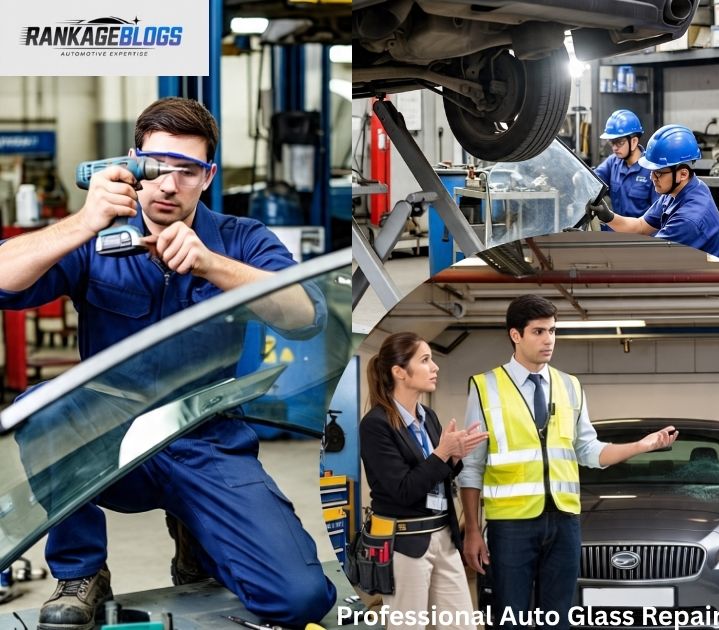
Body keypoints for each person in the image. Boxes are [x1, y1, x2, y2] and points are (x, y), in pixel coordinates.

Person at [0, 97, 333, 628]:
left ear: (209, 177)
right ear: (132, 161)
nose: (167, 184)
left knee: (298, 598)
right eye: (155, 167)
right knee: (42, 406)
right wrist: (83, 223)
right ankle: (81, 572)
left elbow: (305, 313)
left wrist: (210, 263)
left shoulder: (242, 240)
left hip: (204, 440)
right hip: (107, 442)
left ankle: (195, 536)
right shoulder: (98, 236)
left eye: (187, 171)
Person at [458, 295, 678, 630]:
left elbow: (589, 451)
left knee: (558, 619)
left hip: (564, 522)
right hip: (511, 525)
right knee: (508, 619)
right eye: (538, 332)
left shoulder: (570, 385)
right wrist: (473, 530)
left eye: (552, 331)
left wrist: (640, 445)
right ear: (515, 335)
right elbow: (472, 467)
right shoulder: (485, 387)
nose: (549, 340)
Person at [359, 333, 489, 630]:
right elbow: (403, 490)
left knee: (462, 625)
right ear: (399, 372)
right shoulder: (376, 425)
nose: (435, 368)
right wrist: (443, 453)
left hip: (443, 536)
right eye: (425, 360)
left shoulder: (427, 416)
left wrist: (455, 458)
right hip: (405, 543)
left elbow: (437, 475)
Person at [591, 125, 719, 263]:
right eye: (651, 171)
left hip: (706, 282)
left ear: (683, 174)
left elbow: (650, 257)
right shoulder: (677, 192)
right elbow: (640, 226)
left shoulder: (688, 219)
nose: (652, 177)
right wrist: (608, 216)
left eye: (658, 173)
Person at [594, 110, 657, 229]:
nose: (614, 148)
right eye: (612, 143)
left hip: (640, 236)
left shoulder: (652, 169)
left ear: (634, 141)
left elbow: (657, 218)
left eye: (619, 143)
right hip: (615, 231)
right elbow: (593, 180)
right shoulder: (613, 162)